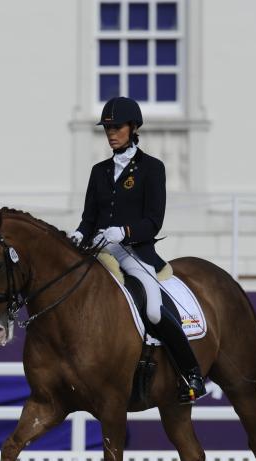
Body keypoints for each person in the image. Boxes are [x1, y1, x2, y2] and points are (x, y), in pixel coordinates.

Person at [70, 96, 206, 404]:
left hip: (134, 252)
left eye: (117, 127)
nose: (111, 133)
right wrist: (79, 234)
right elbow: (89, 218)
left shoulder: (152, 169)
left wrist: (125, 232)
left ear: (133, 128)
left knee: (154, 309)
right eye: (107, 128)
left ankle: (191, 372)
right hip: (101, 250)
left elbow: (153, 221)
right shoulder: (99, 171)